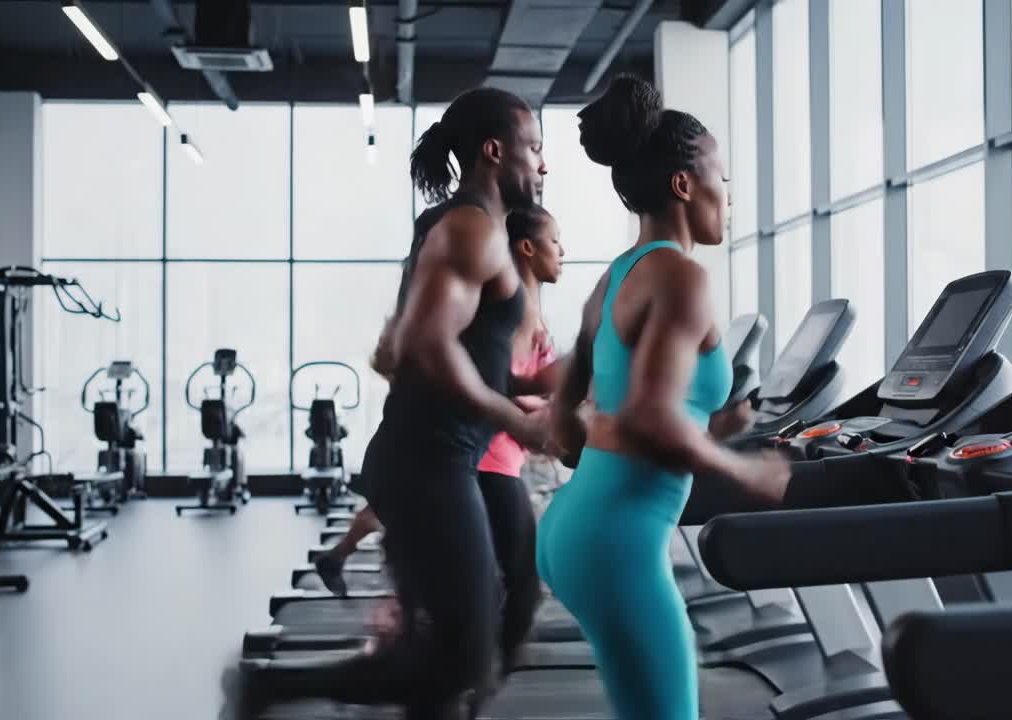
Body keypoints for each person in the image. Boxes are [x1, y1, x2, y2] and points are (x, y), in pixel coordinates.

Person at [232, 86, 556, 720]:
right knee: (460, 657)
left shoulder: (452, 225)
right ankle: (269, 689)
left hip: (427, 459)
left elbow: (441, 349)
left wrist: (529, 388)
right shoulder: (472, 228)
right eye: (535, 149)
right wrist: (512, 418)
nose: (543, 166)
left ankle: (271, 689)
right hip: (428, 467)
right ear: (494, 151)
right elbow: (423, 346)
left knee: (444, 654)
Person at [536, 75, 793, 720]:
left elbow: (567, 423)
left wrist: (710, 431)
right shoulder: (681, 275)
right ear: (684, 184)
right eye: (722, 180)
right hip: (617, 541)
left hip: (578, 525)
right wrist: (744, 471)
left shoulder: (618, 274)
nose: (727, 198)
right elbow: (649, 415)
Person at [315, 205, 566, 673]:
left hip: (462, 460)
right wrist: (539, 411)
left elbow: (496, 385)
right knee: (510, 588)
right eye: (555, 241)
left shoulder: (489, 311)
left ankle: (444, 666)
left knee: (456, 594)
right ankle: (471, 678)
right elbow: (494, 387)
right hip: (475, 460)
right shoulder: (506, 312)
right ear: (526, 249)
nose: (564, 252)